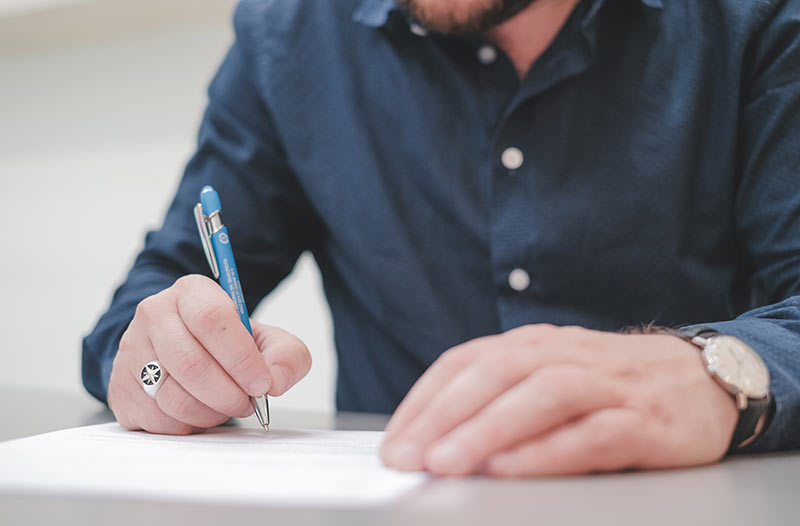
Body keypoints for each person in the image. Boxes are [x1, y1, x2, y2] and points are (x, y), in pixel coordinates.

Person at [83, 0, 800, 477]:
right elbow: (147, 303)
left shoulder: (755, 19)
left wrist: (716, 373)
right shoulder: (294, 30)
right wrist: (157, 365)